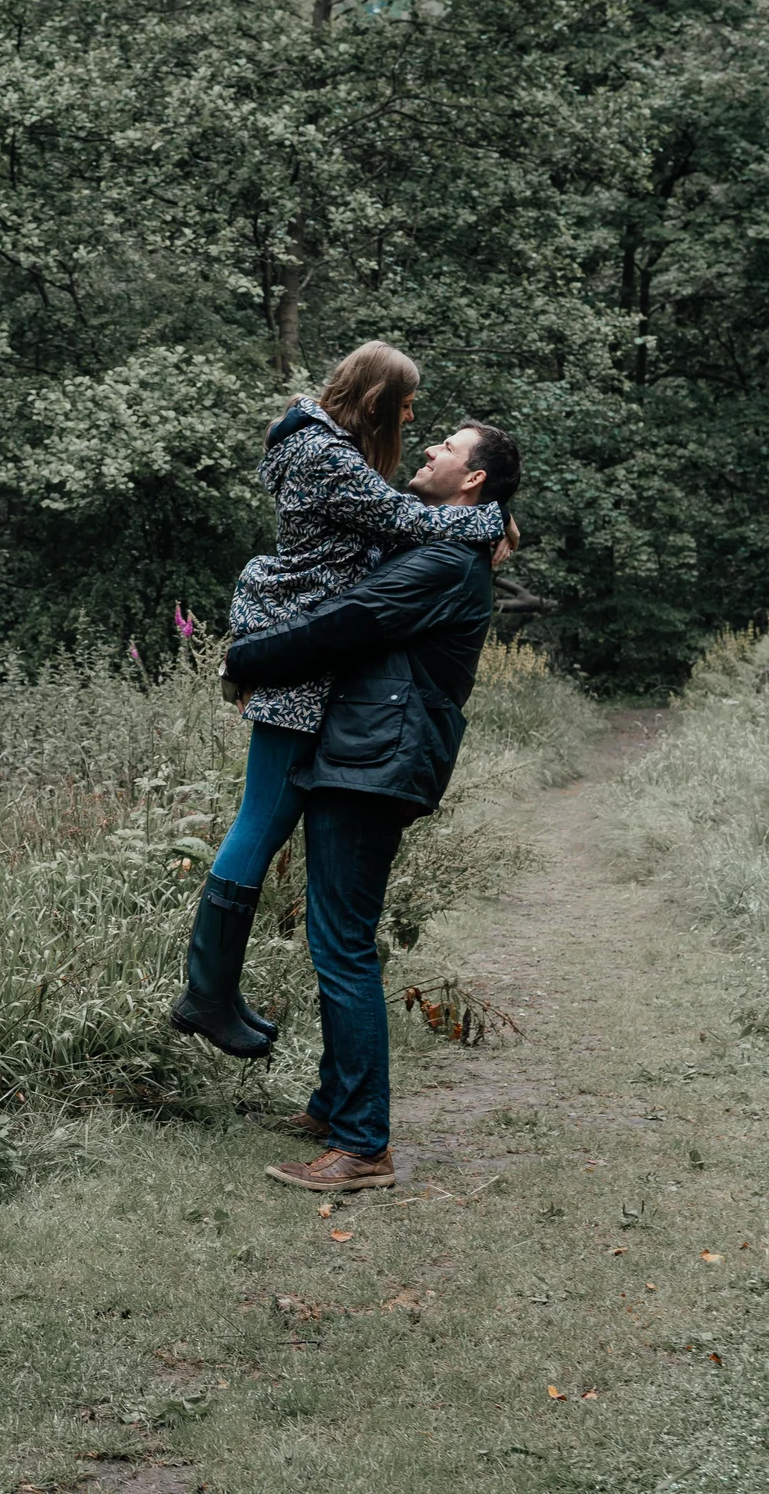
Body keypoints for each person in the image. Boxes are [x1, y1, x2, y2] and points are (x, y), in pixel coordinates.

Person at [170, 342, 517, 1060]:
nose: (416, 424)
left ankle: (216, 991)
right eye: (410, 407)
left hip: (304, 646)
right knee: (261, 820)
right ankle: (205, 992)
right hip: (298, 648)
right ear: (376, 400)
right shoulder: (324, 455)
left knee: (267, 819)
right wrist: (491, 521)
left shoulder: (325, 447)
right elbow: (409, 522)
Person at [221, 419, 522, 1190]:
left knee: (343, 945)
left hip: (374, 764)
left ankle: (363, 1146)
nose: (428, 451)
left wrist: (245, 657)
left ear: (474, 480)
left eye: (445, 449)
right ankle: (332, 1107)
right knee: (340, 938)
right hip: (365, 755)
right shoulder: (443, 548)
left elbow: (344, 620)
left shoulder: (444, 565)